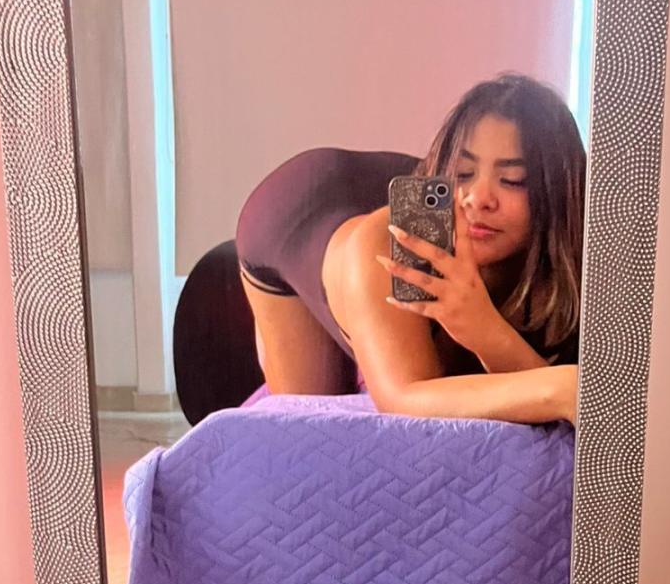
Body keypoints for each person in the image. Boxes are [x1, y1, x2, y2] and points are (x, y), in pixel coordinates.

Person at [235, 74, 583, 425]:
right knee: (313, 424)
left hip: (372, 191)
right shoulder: (392, 240)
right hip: (293, 214)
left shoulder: (581, 254)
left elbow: (556, 396)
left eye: (513, 181)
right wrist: (562, 387)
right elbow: (402, 399)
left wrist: (485, 329)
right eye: (463, 173)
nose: (478, 199)